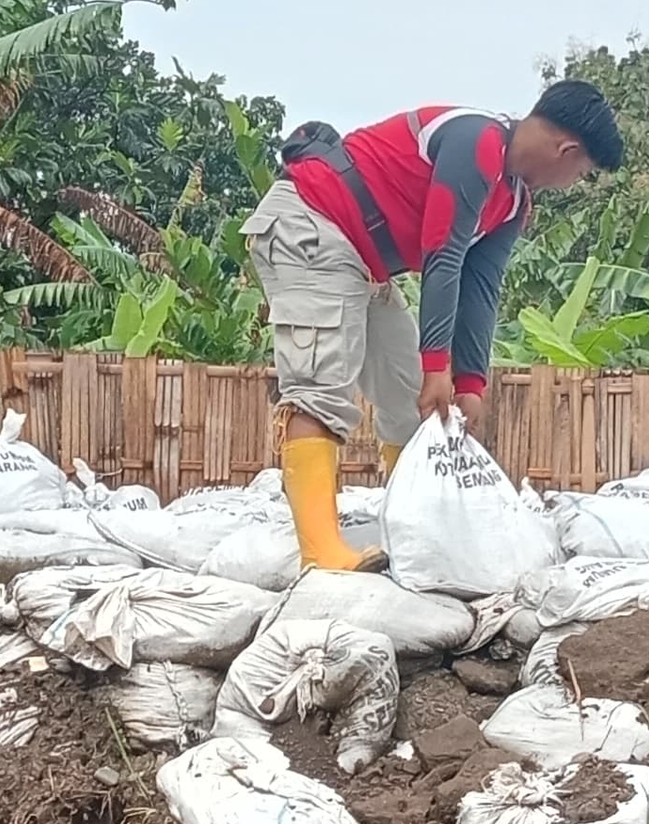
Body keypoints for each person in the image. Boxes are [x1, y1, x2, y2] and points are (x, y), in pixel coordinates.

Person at [243, 80, 623, 572]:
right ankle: (322, 553)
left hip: (365, 260)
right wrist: (437, 365)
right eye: (583, 171)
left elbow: (479, 286)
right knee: (321, 385)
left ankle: (416, 526)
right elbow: (442, 254)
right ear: (567, 150)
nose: (575, 181)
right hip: (313, 225)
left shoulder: (511, 200)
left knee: (412, 401)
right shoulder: (477, 143)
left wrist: (470, 384)